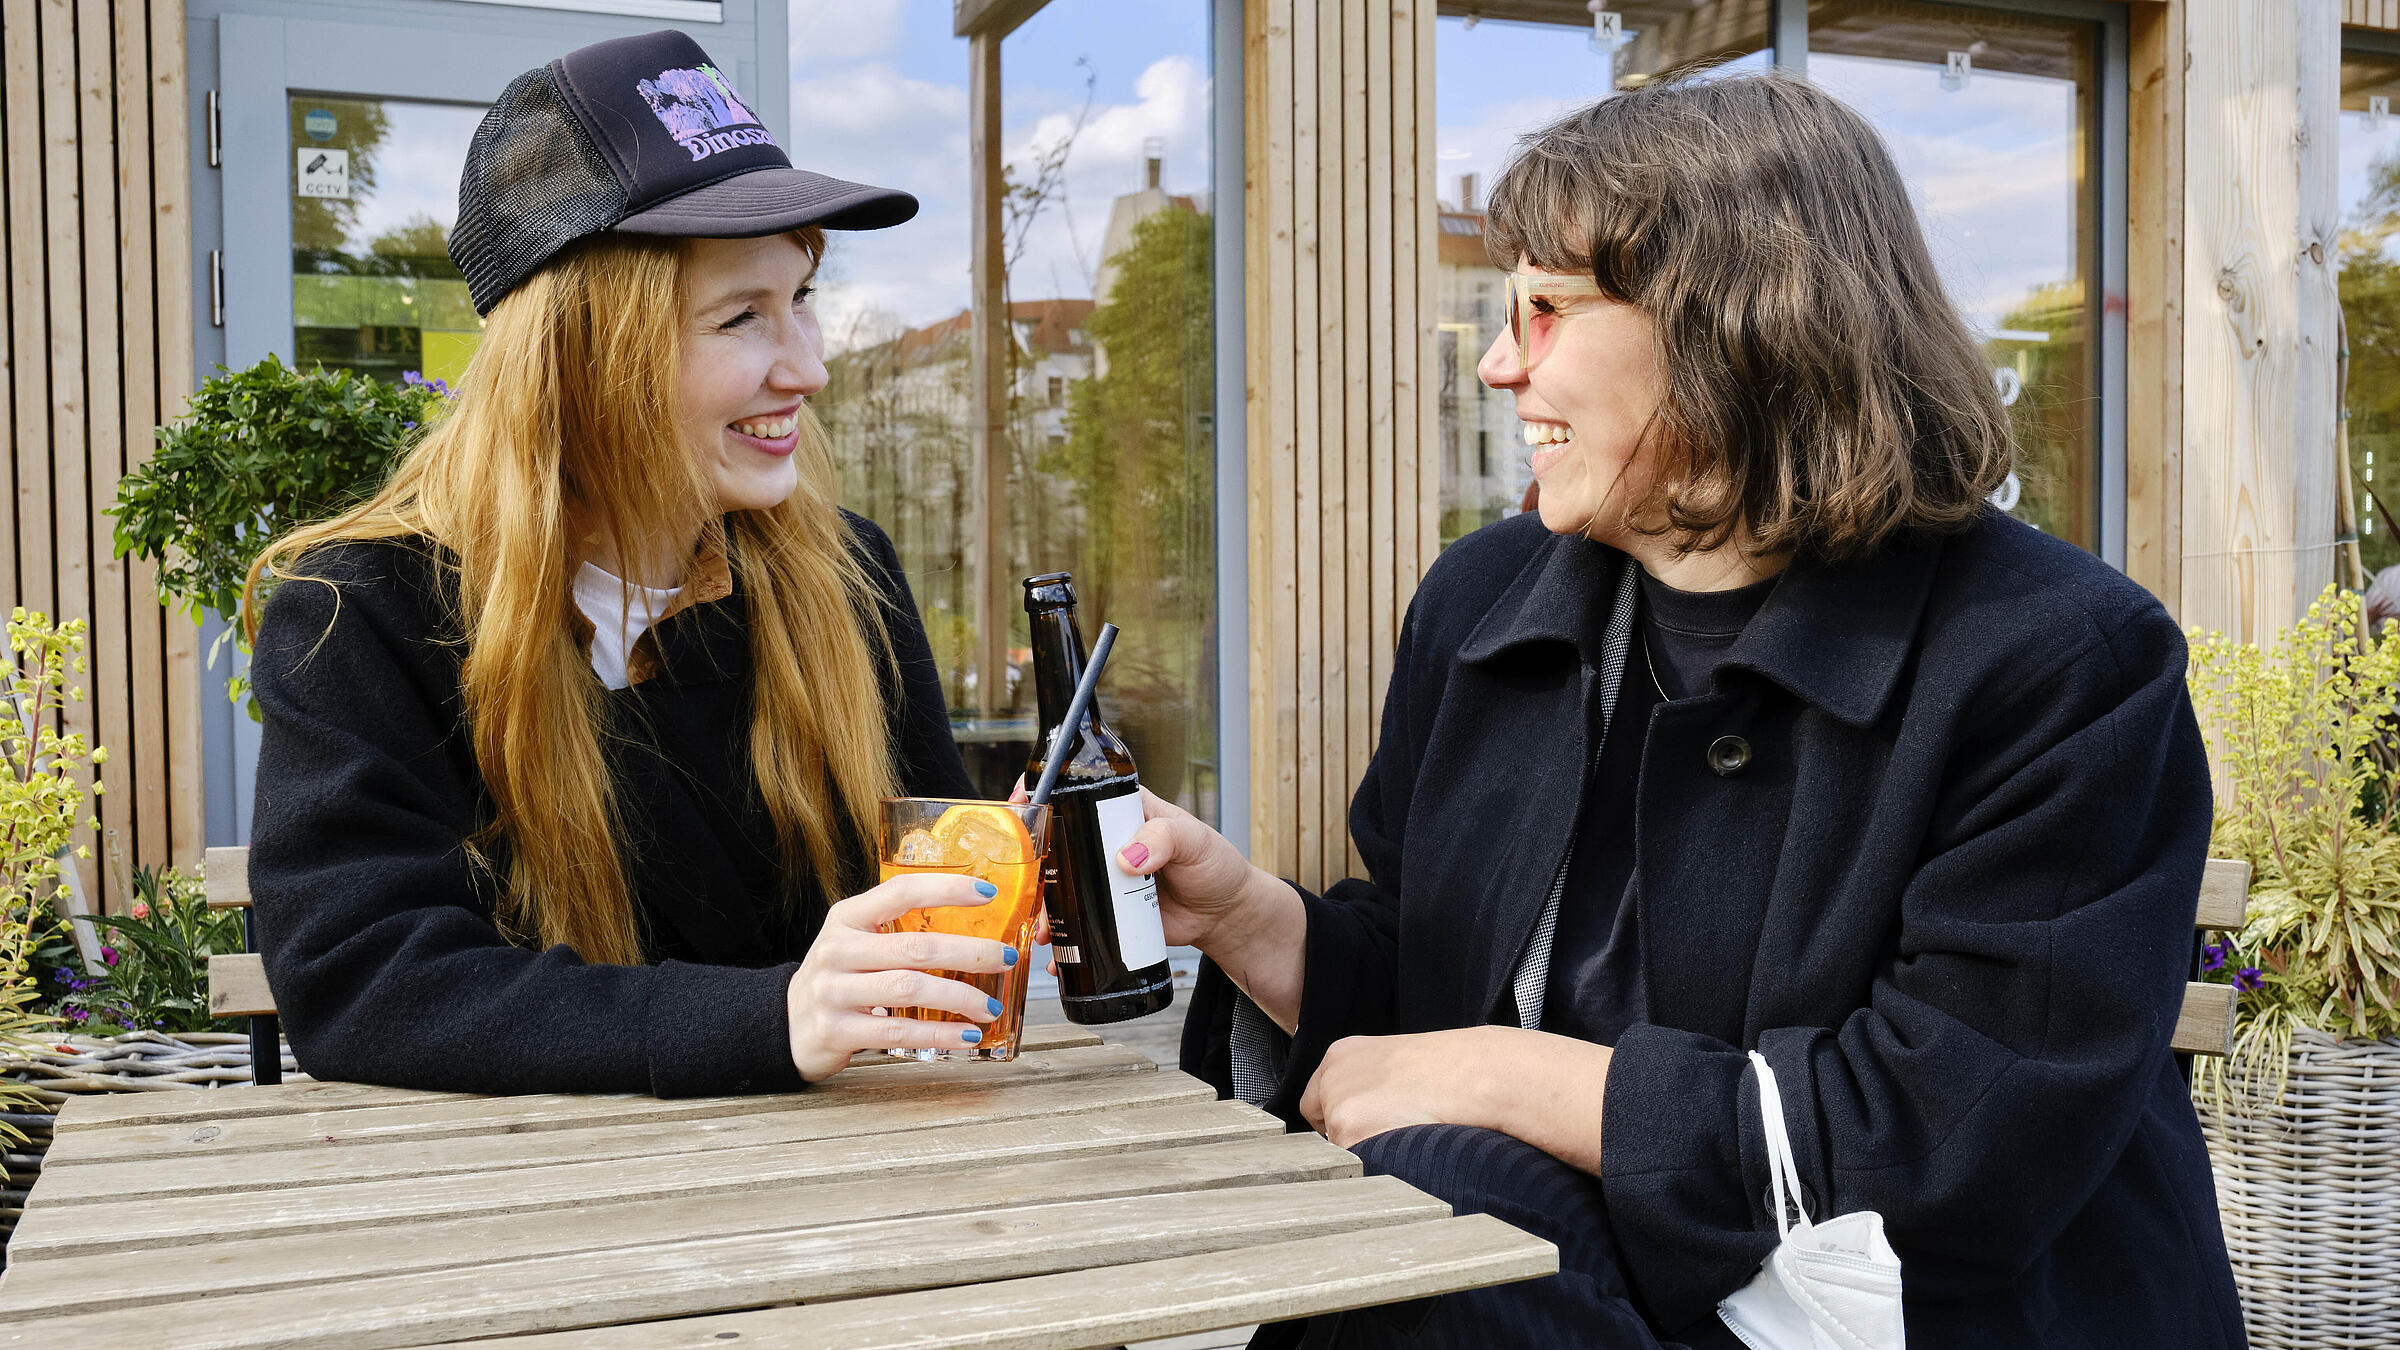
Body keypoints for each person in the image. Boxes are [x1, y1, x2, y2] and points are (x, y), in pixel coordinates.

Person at [1124, 72, 2247, 1348]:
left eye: (1545, 311)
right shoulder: (1487, 602)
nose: (1499, 364)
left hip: (1918, 1313)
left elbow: (1950, 1140)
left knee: (1431, 1221)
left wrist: (1504, 1073)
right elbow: (1433, 985)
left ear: (1733, 328)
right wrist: (1246, 917)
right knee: (1421, 1228)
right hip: (1566, 1277)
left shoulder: (2058, 658)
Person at [245, 30, 1014, 1098]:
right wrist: (766, 1014)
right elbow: (365, 983)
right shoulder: (362, 610)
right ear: (585, 356)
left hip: (859, 1195)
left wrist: (1026, 874)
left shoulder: (851, 580)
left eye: (803, 300)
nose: (811, 367)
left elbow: (928, 912)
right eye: (744, 316)